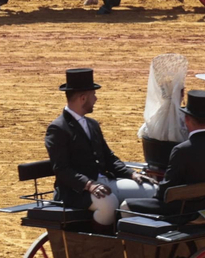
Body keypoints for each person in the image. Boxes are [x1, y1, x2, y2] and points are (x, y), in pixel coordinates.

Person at [43, 67, 153, 226]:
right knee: (108, 203)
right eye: (93, 95)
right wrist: (89, 184)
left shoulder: (92, 124)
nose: (95, 99)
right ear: (82, 98)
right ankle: (102, 246)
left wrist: (131, 174)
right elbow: (61, 169)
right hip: (76, 191)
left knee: (150, 191)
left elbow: (109, 158)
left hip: (104, 183)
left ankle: (128, 238)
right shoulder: (58, 128)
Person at [157, 90, 205, 206]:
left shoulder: (181, 150)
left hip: (182, 211)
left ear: (186, 119)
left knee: (126, 205)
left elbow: (166, 189)